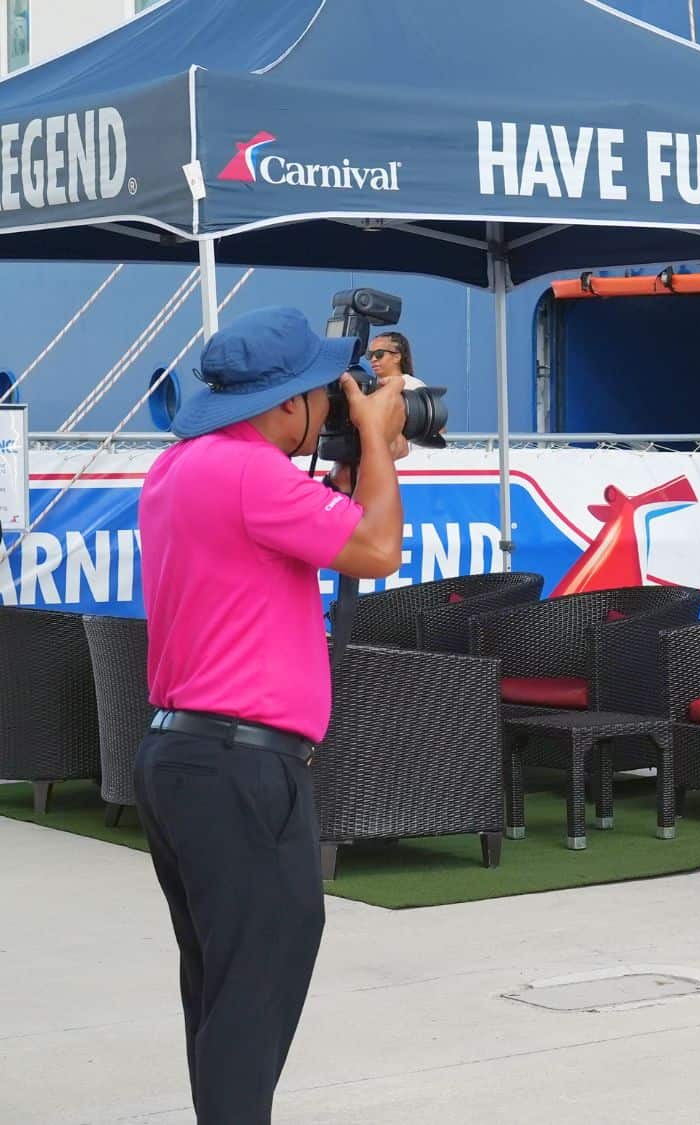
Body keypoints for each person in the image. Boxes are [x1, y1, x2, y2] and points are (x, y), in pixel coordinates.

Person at [135, 306, 409, 1122]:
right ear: (287, 404)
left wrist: (366, 457)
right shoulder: (255, 478)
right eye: (325, 394)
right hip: (240, 766)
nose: (330, 406)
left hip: (183, 759)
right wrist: (374, 426)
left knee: (224, 992)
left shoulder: (181, 467)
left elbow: (322, 528)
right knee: (255, 990)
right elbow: (378, 549)